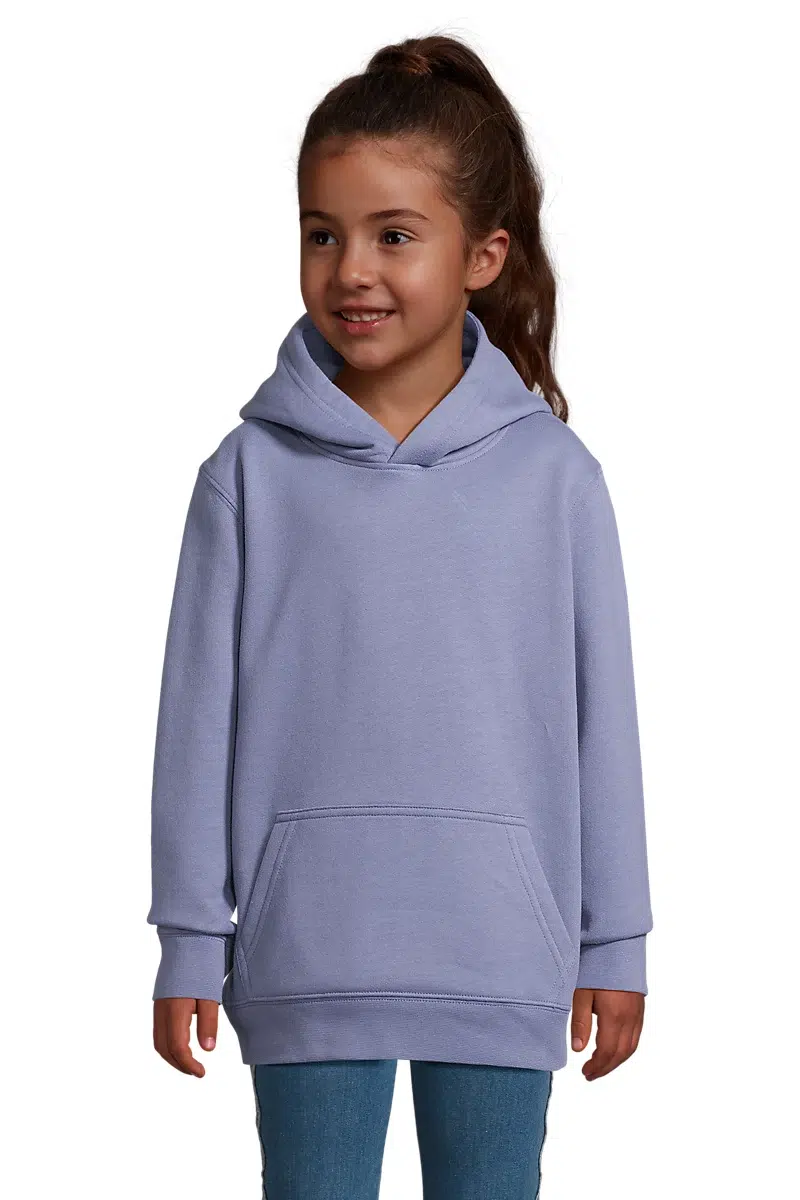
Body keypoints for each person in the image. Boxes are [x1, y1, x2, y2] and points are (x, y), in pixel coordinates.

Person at [147, 31, 654, 1200]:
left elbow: (603, 725)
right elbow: (195, 728)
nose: (350, 272)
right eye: (321, 234)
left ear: (482, 255)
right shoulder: (246, 478)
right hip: (306, 949)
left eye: (392, 235)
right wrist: (189, 935)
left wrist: (613, 937)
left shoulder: (555, 480)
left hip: (500, 948)